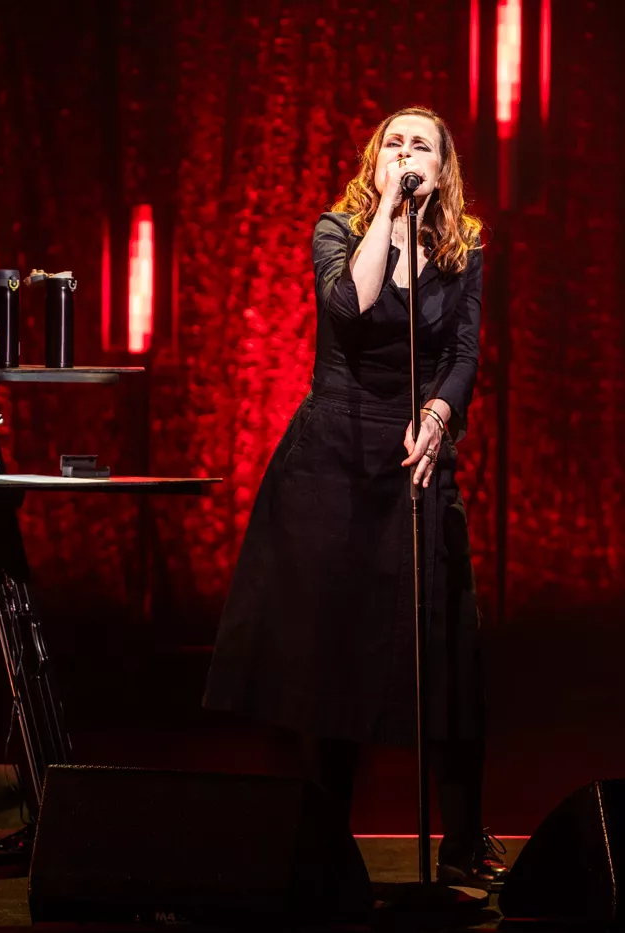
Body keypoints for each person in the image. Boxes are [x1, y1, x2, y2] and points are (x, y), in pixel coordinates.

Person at [203, 106, 504, 887]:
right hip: (333, 455)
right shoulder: (336, 231)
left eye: (421, 146)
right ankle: (327, 845)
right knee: (332, 652)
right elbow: (349, 306)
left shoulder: (464, 246)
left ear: (443, 168)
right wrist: (388, 223)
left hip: (417, 453)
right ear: (376, 162)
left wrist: (439, 414)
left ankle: (463, 839)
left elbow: (465, 352)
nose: (406, 153)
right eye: (392, 144)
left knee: (446, 645)